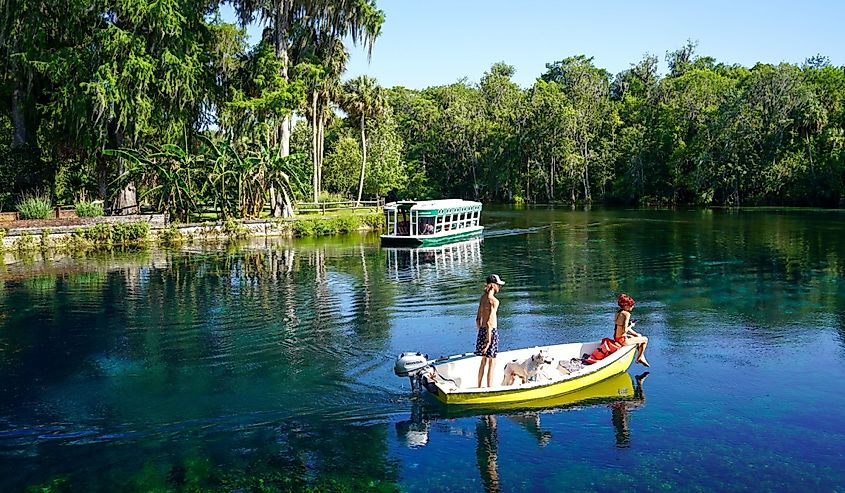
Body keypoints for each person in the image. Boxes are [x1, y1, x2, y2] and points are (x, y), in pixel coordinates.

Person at [475, 274, 504, 387]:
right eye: (498, 285)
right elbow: (489, 322)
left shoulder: (482, 298)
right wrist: (488, 340)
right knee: (492, 362)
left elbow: (478, 319)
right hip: (490, 332)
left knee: (483, 361)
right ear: (493, 286)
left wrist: (481, 334)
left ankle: (479, 386)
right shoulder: (494, 301)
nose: (499, 287)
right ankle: (489, 388)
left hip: (482, 331)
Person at [614, 293, 650, 367]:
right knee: (645, 339)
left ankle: (641, 356)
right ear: (626, 306)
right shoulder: (626, 314)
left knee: (638, 335)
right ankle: (639, 358)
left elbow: (620, 328)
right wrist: (631, 325)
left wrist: (634, 333)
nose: (632, 307)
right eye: (631, 305)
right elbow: (624, 331)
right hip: (622, 340)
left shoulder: (618, 313)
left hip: (616, 337)